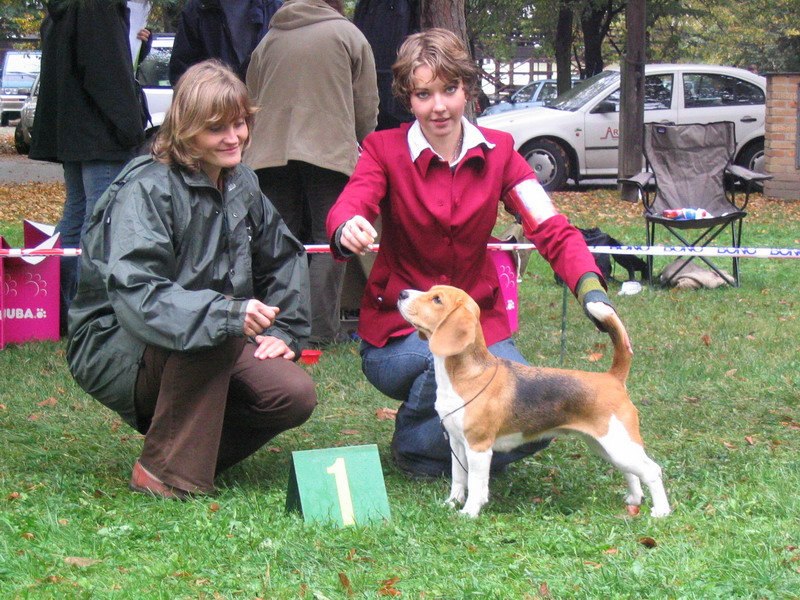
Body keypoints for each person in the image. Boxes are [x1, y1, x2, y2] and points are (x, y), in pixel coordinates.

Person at [326, 28, 619, 479]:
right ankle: (416, 449)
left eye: (449, 89)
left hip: (479, 324)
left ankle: (451, 448)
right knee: (443, 353)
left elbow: (551, 228)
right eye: (423, 94)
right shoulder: (382, 149)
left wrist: (589, 287)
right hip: (397, 334)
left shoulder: (501, 153)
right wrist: (347, 224)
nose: (438, 106)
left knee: (535, 413)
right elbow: (354, 200)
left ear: (468, 89)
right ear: (408, 98)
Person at [67, 60, 317, 499]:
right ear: (186, 131)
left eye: (239, 123)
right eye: (215, 128)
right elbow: (136, 292)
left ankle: (177, 456)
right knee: (214, 329)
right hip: (116, 342)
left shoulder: (243, 183)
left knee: (292, 393)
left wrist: (286, 330)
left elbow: (284, 255)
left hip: (208, 337)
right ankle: (167, 475)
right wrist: (227, 313)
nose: (233, 137)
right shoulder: (147, 188)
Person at [244, 0, 379, 347]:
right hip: (329, 152)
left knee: (278, 242)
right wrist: (364, 144)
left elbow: (250, 98)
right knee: (329, 240)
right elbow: (365, 106)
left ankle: (276, 325)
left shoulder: (268, 40)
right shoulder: (348, 34)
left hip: (268, 153)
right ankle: (318, 332)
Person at [29, 0, 145, 336]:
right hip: (100, 134)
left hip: (76, 131)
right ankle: (87, 315)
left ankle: (61, 308)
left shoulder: (69, 9)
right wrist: (131, 128)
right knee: (97, 225)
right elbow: (105, 74)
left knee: (78, 216)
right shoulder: (98, 7)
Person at [168, 0, 282, 84]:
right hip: (216, 110)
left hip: (263, 110)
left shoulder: (274, 9)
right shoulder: (197, 10)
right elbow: (181, 72)